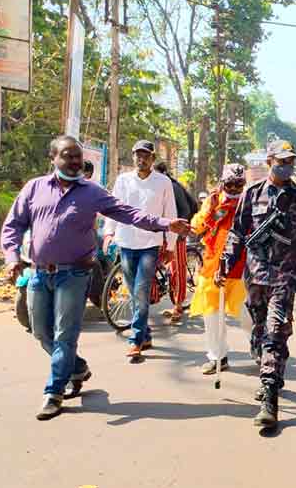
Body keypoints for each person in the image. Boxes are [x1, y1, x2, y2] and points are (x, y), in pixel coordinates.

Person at [1, 136, 190, 420]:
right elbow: (13, 225)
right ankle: (76, 368)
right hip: (39, 273)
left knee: (66, 333)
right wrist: (12, 258)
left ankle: (55, 390)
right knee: (41, 331)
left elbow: (127, 213)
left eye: (78, 156)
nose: (76, 161)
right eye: (68, 156)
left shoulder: (92, 192)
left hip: (75, 274)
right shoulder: (34, 188)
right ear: (53, 158)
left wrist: (165, 225)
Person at [218, 140, 296, 428]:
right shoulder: (251, 194)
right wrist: (226, 262)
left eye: (291, 161)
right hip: (255, 275)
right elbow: (237, 232)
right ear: (269, 161)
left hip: (285, 275)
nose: (287, 165)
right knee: (260, 331)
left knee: (275, 330)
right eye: (282, 160)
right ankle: (268, 363)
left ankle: (269, 395)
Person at [103, 140, 179, 359]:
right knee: (134, 291)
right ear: (133, 157)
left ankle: (135, 339)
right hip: (126, 242)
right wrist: (108, 233)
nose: (141, 159)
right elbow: (113, 208)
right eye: (137, 155)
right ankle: (145, 334)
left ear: (153, 159)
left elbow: (170, 213)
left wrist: (171, 244)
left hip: (150, 243)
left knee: (141, 290)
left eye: (146, 155)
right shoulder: (123, 180)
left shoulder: (163, 182)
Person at [189, 164, 248, 375]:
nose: (233, 189)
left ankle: (263, 351)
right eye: (230, 184)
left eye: (238, 184)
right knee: (212, 315)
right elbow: (196, 227)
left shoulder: (248, 202)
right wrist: (213, 213)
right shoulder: (213, 201)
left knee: (247, 315)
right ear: (223, 183)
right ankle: (217, 357)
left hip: (240, 268)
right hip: (212, 267)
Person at [155, 161, 199, 322]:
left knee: (177, 268)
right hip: (160, 232)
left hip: (177, 232)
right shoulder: (154, 187)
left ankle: (178, 305)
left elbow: (186, 210)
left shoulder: (172, 186)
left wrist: (180, 231)